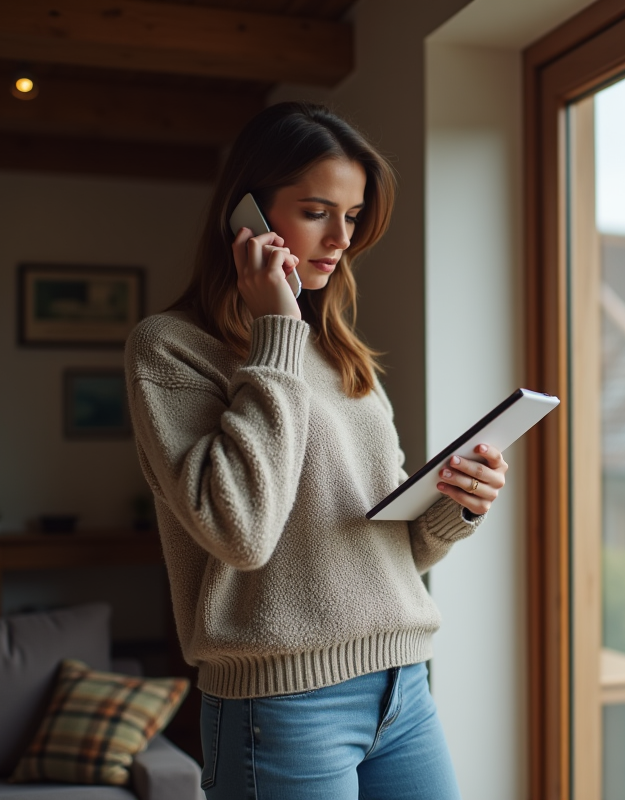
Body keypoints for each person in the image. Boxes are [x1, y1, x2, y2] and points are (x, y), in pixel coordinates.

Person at [125, 101, 509, 799]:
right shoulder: (170, 348)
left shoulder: (341, 354)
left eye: (353, 216)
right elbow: (239, 533)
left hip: (403, 686)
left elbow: (387, 549)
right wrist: (276, 330)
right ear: (246, 215)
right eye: (315, 212)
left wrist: (455, 507)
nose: (340, 239)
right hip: (281, 706)